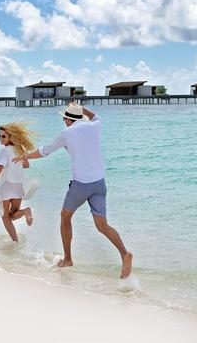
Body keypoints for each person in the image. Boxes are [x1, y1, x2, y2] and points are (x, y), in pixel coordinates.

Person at [14, 103, 133, 279]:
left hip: (81, 185)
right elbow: (96, 117)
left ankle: (68, 259)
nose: (64, 121)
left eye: (64, 118)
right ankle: (124, 253)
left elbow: (44, 151)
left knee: (65, 216)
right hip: (99, 184)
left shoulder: (67, 133)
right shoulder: (94, 126)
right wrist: (82, 109)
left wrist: (25, 156)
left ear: (68, 119)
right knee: (102, 225)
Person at [0, 122, 38, 243]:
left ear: (11, 136)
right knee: (13, 216)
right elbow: (26, 165)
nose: (0, 138)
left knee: (5, 217)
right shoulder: (19, 149)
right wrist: (15, 165)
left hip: (6, 186)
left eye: (3, 136)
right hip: (18, 186)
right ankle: (26, 212)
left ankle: (15, 241)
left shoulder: (4, 151)